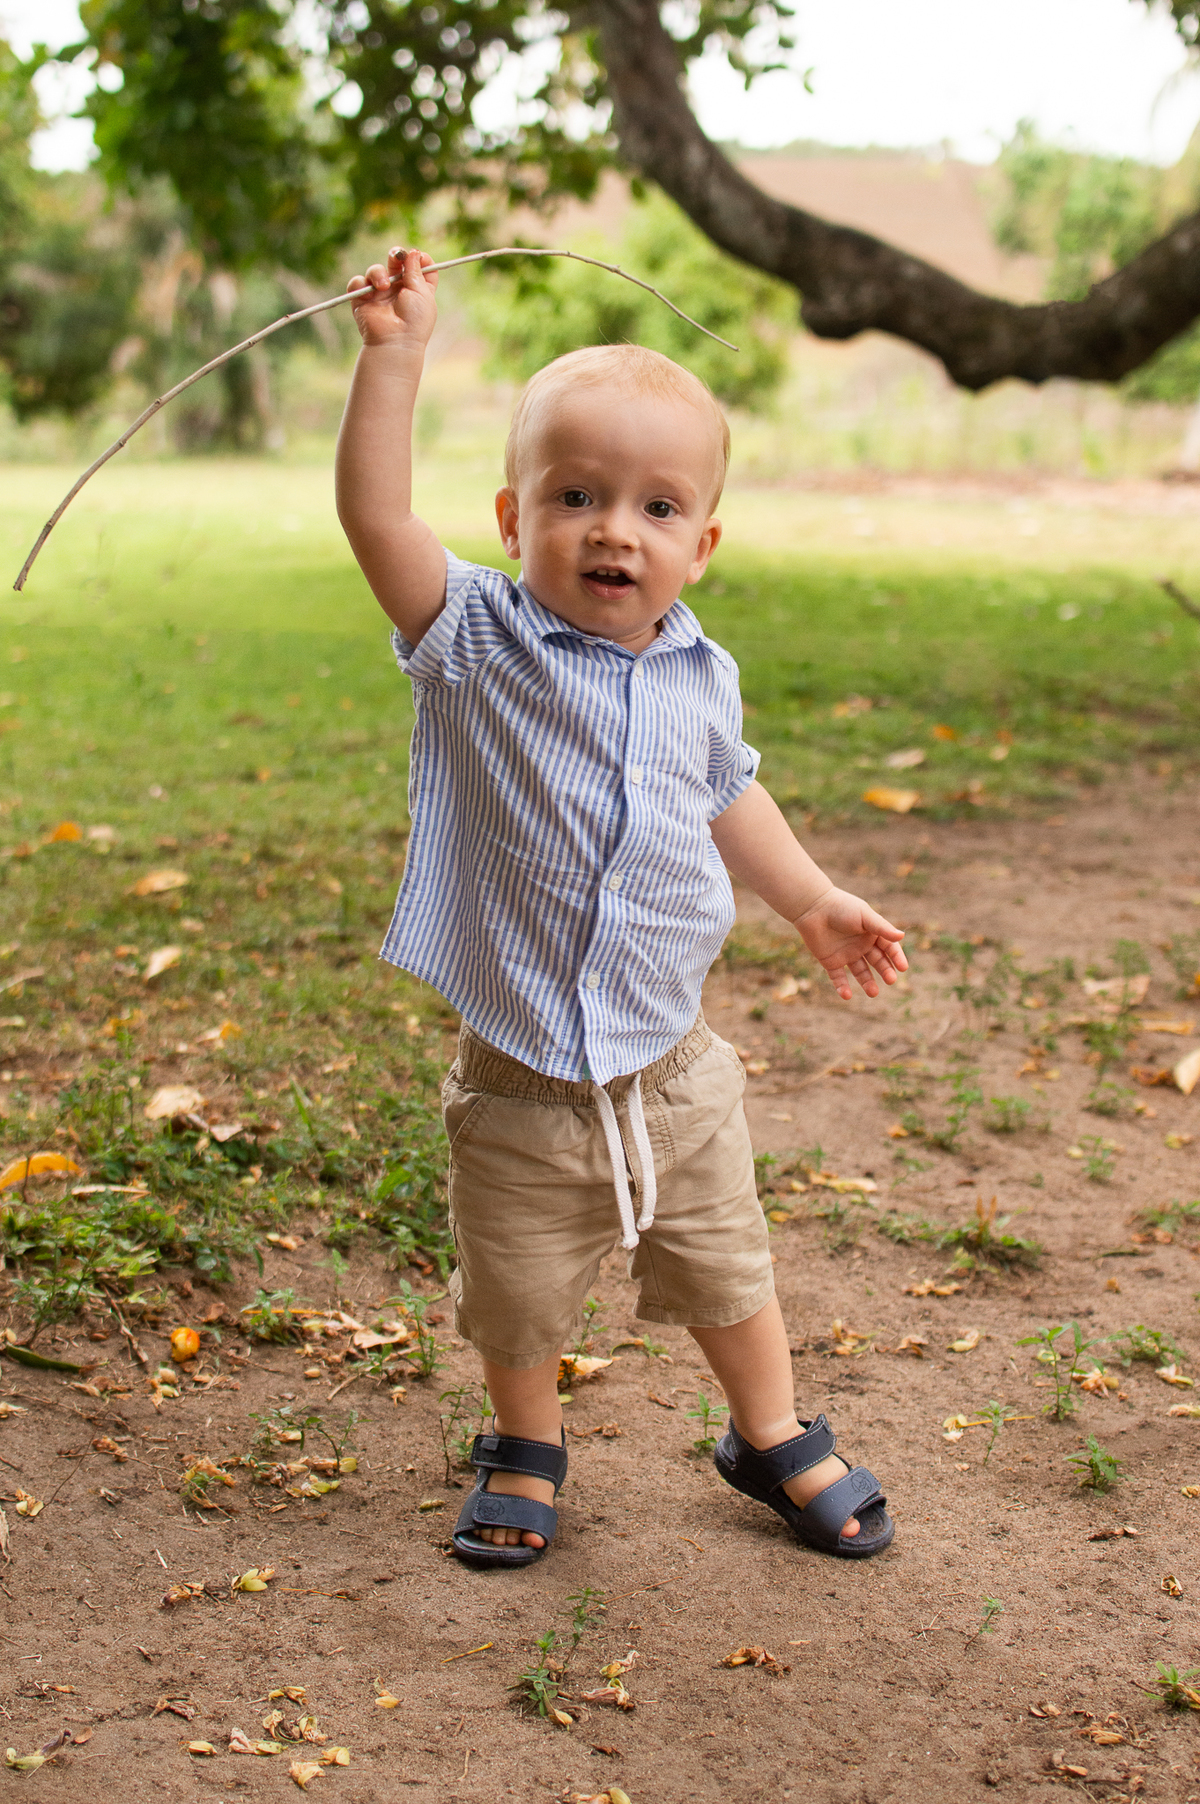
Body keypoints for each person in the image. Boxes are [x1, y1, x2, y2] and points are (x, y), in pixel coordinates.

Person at [336, 246, 908, 1570]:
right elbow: (377, 523)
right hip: (522, 1074)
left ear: (700, 543)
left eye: (657, 508)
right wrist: (394, 359)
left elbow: (732, 797)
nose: (613, 530)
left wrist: (812, 897)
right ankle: (526, 1446)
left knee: (728, 1263)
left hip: (677, 1061)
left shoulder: (704, 674)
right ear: (512, 515)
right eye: (577, 495)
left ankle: (766, 1431)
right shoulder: (473, 643)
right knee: (520, 1294)